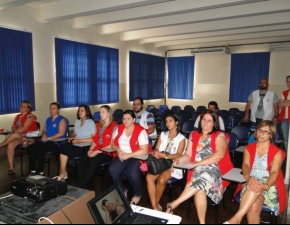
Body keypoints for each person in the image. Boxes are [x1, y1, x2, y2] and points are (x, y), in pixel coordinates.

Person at [165, 110, 234, 224]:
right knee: (199, 190)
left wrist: (197, 164)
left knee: (203, 177)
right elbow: (188, 155)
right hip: (197, 169)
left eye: (209, 120)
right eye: (204, 119)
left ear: (214, 123)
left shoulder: (220, 135)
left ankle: (174, 204)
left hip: (215, 168)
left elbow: (219, 155)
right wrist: (178, 159)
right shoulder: (194, 134)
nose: (205, 122)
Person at [224, 120, 287, 224]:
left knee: (254, 189)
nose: (261, 134)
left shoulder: (277, 152)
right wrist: (248, 178)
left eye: (265, 132)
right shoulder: (249, 148)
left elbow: (274, 172)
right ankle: (237, 219)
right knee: (253, 205)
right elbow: (245, 165)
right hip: (251, 180)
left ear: (271, 135)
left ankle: (237, 218)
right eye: (260, 130)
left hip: (269, 184)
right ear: (256, 131)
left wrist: (265, 186)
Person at [146, 111, 186, 211]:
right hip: (161, 163)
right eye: (166, 121)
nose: (168, 123)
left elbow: (178, 155)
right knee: (148, 177)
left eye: (170, 121)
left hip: (174, 164)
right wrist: (156, 152)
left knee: (162, 179)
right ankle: (155, 206)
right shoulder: (163, 134)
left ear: (176, 122)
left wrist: (163, 155)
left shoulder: (181, 138)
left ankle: (154, 206)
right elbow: (156, 148)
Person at [108, 110, 150, 205]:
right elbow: (113, 145)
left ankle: (138, 193)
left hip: (137, 156)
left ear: (134, 119)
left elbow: (144, 149)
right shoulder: (119, 128)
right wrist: (119, 150)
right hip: (123, 154)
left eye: (128, 119)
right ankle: (122, 189)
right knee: (112, 169)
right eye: (124, 119)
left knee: (132, 173)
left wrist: (128, 156)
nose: (125, 121)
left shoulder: (140, 130)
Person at [77, 105, 117, 188]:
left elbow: (112, 145)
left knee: (92, 163)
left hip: (108, 152)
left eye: (103, 112)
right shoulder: (98, 124)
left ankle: (80, 185)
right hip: (97, 149)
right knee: (82, 161)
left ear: (109, 113)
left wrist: (97, 151)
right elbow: (95, 140)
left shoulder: (115, 126)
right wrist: (90, 149)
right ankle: (81, 183)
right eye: (100, 112)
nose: (100, 114)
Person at [57, 104, 96, 181]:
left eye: (82, 111)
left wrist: (79, 141)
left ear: (87, 112)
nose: (80, 112)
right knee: (63, 148)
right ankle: (63, 172)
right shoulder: (78, 121)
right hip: (76, 143)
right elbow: (74, 132)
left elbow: (93, 139)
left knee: (65, 152)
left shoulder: (90, 122)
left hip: (86, 146)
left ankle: (62, 173)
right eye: (79, 111)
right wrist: (71, 137)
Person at [27, 102, 68, 176]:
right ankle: (32, 170)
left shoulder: (62, 120)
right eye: (50, 108)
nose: (51, 110)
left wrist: (49, 138)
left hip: (56, 142)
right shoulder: (48, 119)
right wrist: (44, 135)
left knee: (40, 148)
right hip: (47, 141)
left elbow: (61, 133)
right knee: (32, 147)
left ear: (58, 110)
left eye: (54, 108)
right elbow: (44, 130)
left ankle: (40, 171)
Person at [0, 101, 38, 174]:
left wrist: (15, 132)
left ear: (28, 109)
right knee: (10, 145)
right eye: (21, 106)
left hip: (29, 138)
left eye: (24, 107)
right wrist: (15, 131)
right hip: (20, 137)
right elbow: (13, 127)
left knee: (14, 135)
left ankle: (1, 145)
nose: (21, 107)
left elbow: (24, 128)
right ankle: (11, 166)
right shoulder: (18, 116)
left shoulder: (30, 116)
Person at [278, 75, 290, 152]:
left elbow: (282, 103)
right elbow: (280, 104)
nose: (289, 83)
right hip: (284, 119)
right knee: (286, 139)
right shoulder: (284, 92)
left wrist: (285, 101)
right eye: (288, 81)